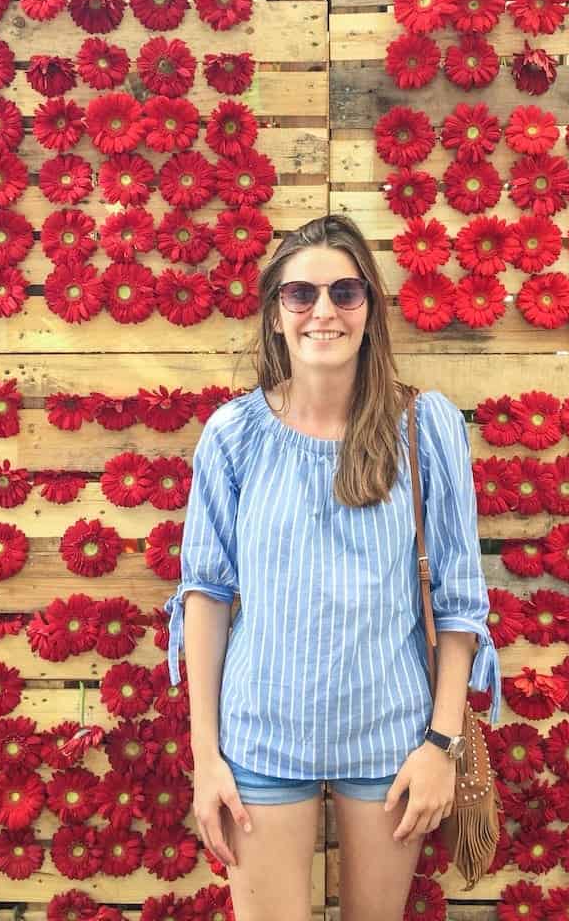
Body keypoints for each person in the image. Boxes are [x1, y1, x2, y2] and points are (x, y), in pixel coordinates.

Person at [164, 214, 500, 921]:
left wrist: (440, 744)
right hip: (259, 738)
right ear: (274, 315)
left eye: (345, 293)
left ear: (371, 310)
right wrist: (206, 758)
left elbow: (459, 600)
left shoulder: (424, 427)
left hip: (391, 736)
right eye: (301, 295)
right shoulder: (233, 435)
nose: (323, 311)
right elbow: (205, 595)